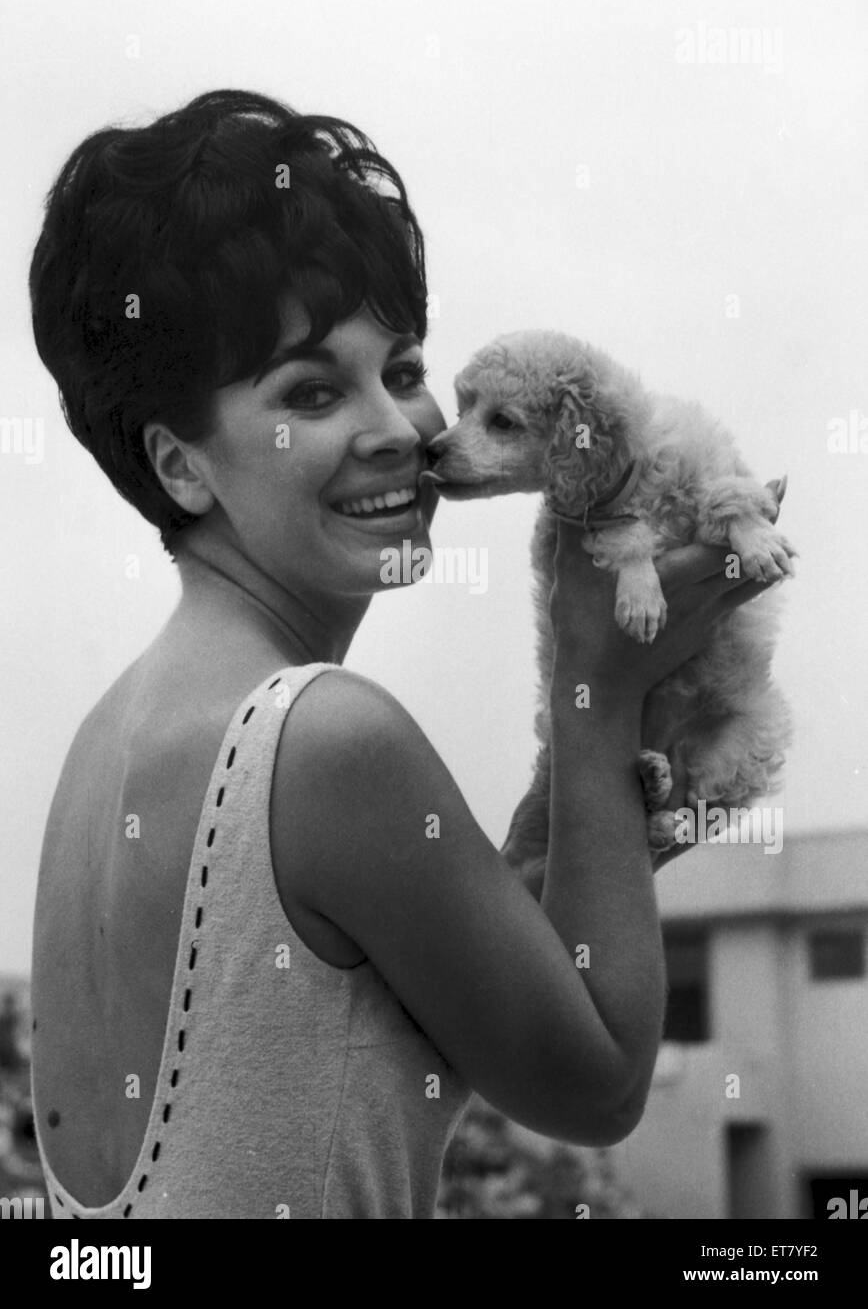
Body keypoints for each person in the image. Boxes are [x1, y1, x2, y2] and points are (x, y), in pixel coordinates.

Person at [27, 89, 779, 1220]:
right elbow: (602, 1078)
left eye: (407, 365)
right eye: (314, 390)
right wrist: (598, 690)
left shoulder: (105, 746)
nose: (405, 429)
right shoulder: (327, 739)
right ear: (182, 467)